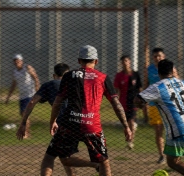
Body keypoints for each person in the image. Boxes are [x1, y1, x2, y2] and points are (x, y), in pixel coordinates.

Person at [48, 45, 132, 176]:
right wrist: (126, 126)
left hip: (69, 123)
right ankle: (96, 164)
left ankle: (93, 164)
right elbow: (116, 104)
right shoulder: (103, 77)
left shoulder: (69, 76)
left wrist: (53, 121)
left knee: (59, 157)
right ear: (96, 61)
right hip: (92, 125)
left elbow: (57, 102)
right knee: (104, 161)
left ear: (78, 60)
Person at [136, 60, 184, 176]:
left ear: (158, 72)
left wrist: (141, 104)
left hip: (178, 129)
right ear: (173, 70)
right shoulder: (183, 83)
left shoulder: (157, 87)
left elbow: (137, 100)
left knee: (173, 161)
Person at [17, 63, 95, 176]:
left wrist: (23, 122)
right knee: (64, 155)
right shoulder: (77, 84)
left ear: (54, 75)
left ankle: (96, 165)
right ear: (68, 74)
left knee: (51, 158)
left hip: (62, 126)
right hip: (82, 122)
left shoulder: (49, 85)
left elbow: (32, 102)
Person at [5, 53, 40, 139]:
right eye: (15, 60)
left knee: (25, 114)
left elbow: (35, 77)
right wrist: (8, 97)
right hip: (22, 96)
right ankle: (27, 132)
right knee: (22, 114)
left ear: (21, 61)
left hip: (30, 94)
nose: (16, 62)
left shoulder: (27, 67)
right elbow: (13, 85)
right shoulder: (15, 72)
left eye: (18, 60)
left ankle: (26, 134)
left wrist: (37, 89)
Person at [114, 55, 142, 150]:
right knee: (125, 123)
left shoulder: (135, 75)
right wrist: (116, 101)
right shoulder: (119, 75)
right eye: (123, 61)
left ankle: (130, 142)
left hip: (133, 102)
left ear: (130, 62)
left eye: (126, 60)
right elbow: (117, 91)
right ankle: (129, 135)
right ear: (121, 63)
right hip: (123, 102)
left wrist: (141, 99)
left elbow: (139, 88)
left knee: (131, 121)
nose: (125, 62)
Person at [146, 47, 167, 163]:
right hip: (154, 104)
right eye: (155, 56)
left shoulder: (170, 68)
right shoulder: (149, 69)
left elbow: (177, 82)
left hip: (168, 104)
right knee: (158, 131)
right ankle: (162, 155)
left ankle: (174, 153)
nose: (157, 58)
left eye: (159, 55)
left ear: (164, 56)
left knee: (171, 130)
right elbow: (146, 85)